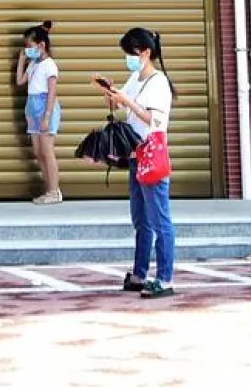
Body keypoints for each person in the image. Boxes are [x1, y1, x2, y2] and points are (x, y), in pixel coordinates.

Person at [94, 27, 177, 299]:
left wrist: (126, 99)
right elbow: (124, 107)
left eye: (131, 53)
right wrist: (110, 92)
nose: (128, 58)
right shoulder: (136, 77)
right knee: (141, 218)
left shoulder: (158, 82)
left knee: (159, 218)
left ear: (146, 52)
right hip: (135, 153)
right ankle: (139, 274)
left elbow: (153, 120)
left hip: (151, 154)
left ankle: (164, 279)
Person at [15, 21, 63, 204]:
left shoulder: (50, 65)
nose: (27, 50)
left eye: (30, 46)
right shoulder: (34, 64)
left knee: (47, 150)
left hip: (45, 107)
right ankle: (50, 188)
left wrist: (47, 116)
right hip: (32, 107)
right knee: (38, 151)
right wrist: (22, 59)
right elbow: (20, 81)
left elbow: (52, 92)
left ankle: (54, 191)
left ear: (42, 45)